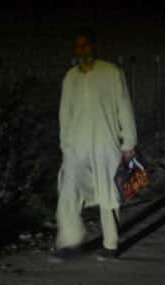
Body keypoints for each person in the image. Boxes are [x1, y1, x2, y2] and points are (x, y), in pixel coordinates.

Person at [54, 27, 137, 260]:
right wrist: (65, 145)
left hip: (105, 143)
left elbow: (124, 107)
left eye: (86, 45)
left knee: (108, 193)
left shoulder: (111, 72)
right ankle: (69, 241)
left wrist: (129, 142)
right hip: (76, 146)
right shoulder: (70, 78)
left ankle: (110, 244)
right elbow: (65, 114)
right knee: (68, 191)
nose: (82, 50)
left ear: (94, 46)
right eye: (78, 46)